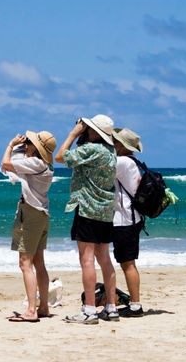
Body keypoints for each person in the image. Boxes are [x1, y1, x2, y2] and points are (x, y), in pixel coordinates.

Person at [54, 114, 119, 324]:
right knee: (105, 259)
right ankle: (111, 307)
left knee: (87, 260)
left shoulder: (92, 150)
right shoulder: (111, 151)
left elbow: (60, 157)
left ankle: (89, 309)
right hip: (105, 211)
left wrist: (73, 134)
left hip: (88, 209)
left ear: (94, 132)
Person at [0, 130, 57, 323]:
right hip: (42, 213)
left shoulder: (34, 163)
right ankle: (43, 307)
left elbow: (6, 164)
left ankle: (31, 311)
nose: (28, 144)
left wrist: (11, 145)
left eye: (30, 143)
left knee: (25, 263)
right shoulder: (45, 165)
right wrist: (25, 149)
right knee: (39, 263)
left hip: (31, 213)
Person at [112, 127, 145, 317]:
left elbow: (102, 170)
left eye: (115, 142)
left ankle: (135, 305)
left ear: (122, 146)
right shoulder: (133, 161)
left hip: (125, 219)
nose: (113, 145)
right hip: (133, 217)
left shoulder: (123, 162)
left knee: (127, 263)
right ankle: (134, 303)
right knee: (128, 262)